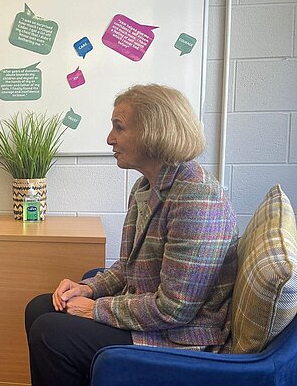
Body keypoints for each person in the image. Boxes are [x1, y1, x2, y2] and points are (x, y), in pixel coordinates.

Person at [25, 84, 239, 386]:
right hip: (153, 315)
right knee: (39, 307)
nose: (109, 139)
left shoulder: (197, 198)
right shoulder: (144, 186)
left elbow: (174, 309)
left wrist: (95, 308)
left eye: (119, 127)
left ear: (152, 132)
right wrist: (87, 289)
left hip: (182, 339)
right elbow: (127, 269)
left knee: (50, 333)